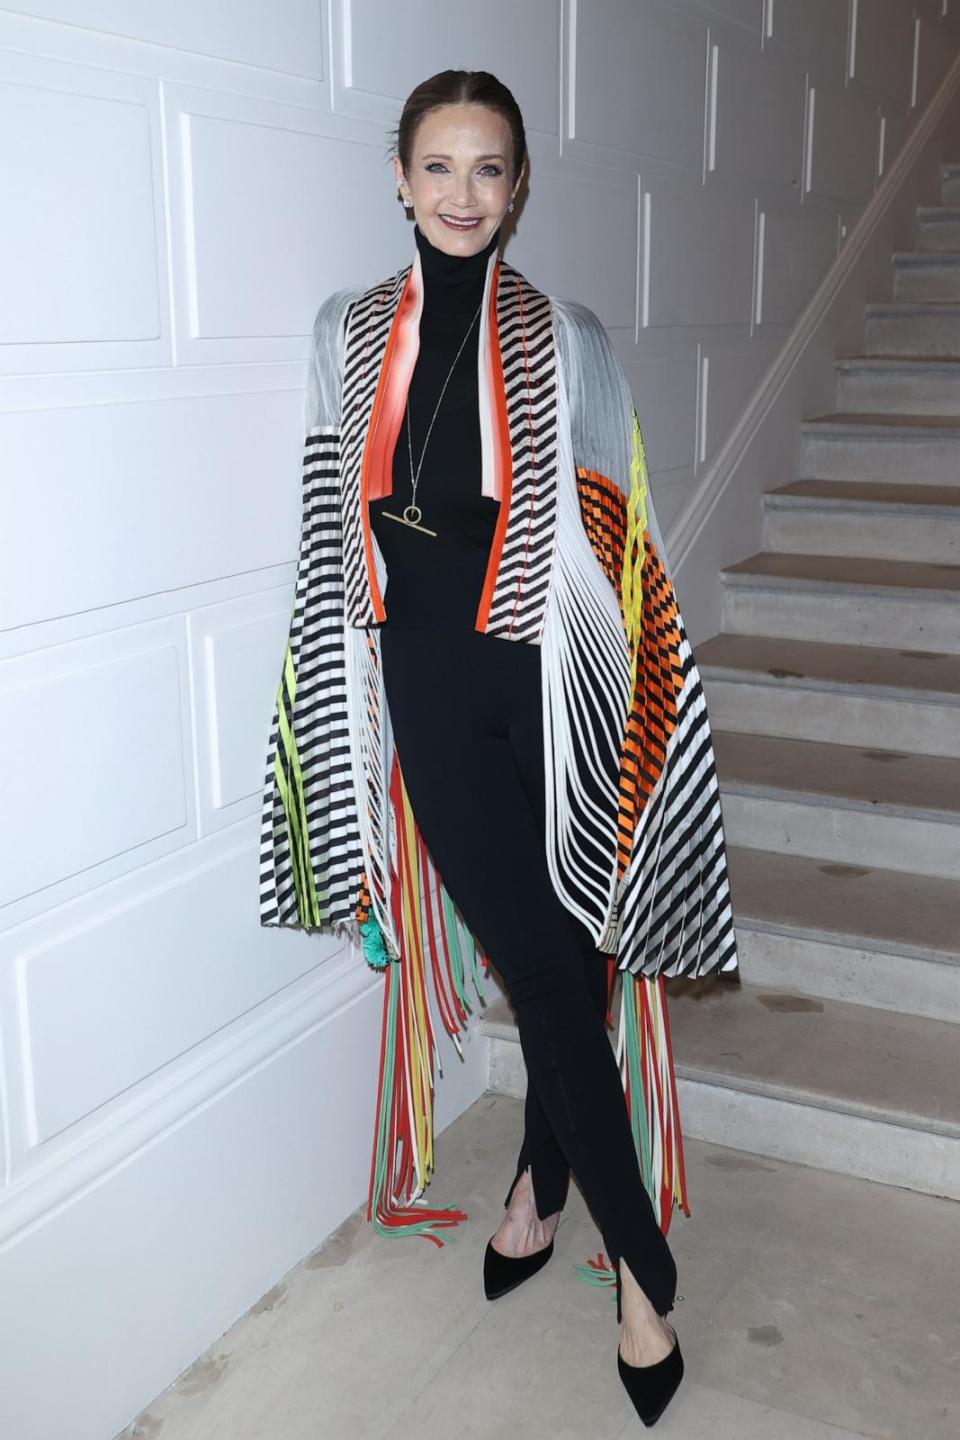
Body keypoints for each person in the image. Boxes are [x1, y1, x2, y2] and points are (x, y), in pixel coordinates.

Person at [259, 68, 739, 1428]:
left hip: (557, 687)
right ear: (401, 180)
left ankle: (539, 1187)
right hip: (426, 678)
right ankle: (645, 1273)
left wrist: (636, 708)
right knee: (536, 962)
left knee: (572, 947)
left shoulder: (572, 337)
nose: (464, 193)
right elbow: (328, 526)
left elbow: (615, 528)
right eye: (440, 166)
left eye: (489, 170)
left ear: (518, 188)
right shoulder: (345, 334)